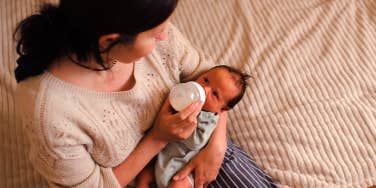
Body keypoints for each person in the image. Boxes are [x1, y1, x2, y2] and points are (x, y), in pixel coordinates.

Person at [14, 0, 276, 187]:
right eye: (155, 34)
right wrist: (157, 139)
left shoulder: (152, 26)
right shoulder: (51, 114)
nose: (165, 36)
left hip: (194, 151)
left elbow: (211, 74)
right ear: (109, 41)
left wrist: (217, 145)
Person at [152, 65, 251, 188]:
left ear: (223, 109)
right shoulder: (186, 99)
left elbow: (196, 142)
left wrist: (188, 124)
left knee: (178, 184)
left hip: (182, 166)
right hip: (162, 160)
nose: (205, 89)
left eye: (215, 94)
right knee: (144, 177)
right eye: (205, 80)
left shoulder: (207, 119)